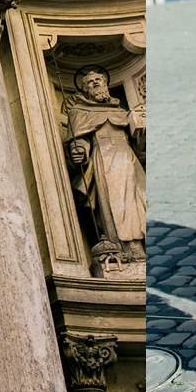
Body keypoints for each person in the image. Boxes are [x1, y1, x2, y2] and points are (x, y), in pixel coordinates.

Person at [65, 65, 147, 266]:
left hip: (129, 158)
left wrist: (143, 135)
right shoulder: (78, 112)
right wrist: (79, 150)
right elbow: (79, 139)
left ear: (106, 84)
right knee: (116, 203)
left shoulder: (120, 111)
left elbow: (138, 145)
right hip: (104, 158)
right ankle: (126, 248)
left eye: (98, 81)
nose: (95, 84)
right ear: (84, 90)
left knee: (140, 200)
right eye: (90, 83)